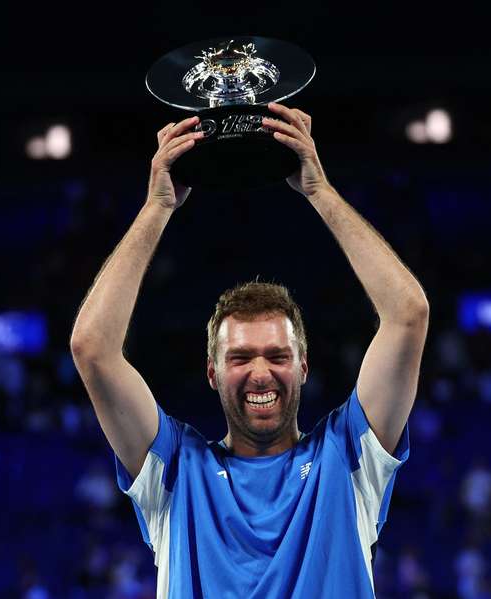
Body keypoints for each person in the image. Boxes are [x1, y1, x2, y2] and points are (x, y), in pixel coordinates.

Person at [69, 103, 429, 598]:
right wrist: (157, 207)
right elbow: (92, 348)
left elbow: (409, 315)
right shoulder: (175, 470)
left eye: (278, 355)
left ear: (303, 366)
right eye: (239, 358)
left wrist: (320, 192)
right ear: (213, 373)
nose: (260, 372)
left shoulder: (347, 458)